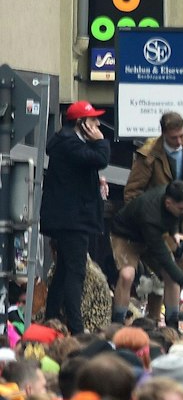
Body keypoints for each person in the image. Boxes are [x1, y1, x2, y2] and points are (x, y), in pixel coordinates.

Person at [119, 111, 183, 322]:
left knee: (173, 274)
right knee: (133, 274)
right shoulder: (148, 155)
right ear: (164, 133)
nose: (179, 141)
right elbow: (131, 193)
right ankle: (119, 322)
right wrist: (148, 219)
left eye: (182, 135)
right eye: (174, 137)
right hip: (150, 224)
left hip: (179, 224)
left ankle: (172, 324)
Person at [40, 101, 111, 334]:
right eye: (93, 121)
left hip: (70, 218)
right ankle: (77, 328)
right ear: (81, 124)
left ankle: (51, 318)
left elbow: (81, 169)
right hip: (72, 220)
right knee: (76, 272)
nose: (97, 124)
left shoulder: (68, 142)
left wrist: (95, 179)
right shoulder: (70, 143)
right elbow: (99, 158)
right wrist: (100, 140)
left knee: (63, 271)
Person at [108, 180, 183, 327]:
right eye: (182, 208)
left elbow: (174, 217)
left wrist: (174, 233)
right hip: (126, 236)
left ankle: (172, 323)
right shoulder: (150, 216)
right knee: (127, 275)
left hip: (151, 235)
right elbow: (164, 259)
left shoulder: (174, 202)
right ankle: (117, 322)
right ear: (168, 203)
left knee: (171, 278)